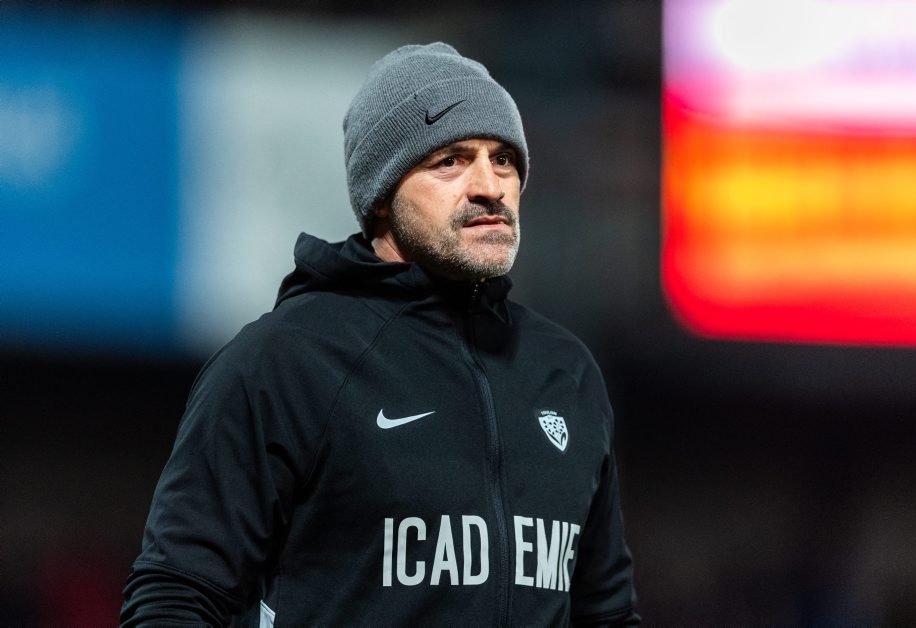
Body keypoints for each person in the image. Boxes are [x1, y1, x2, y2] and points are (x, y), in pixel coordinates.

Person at [121, 42, 640, 627]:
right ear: (382, 198)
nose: (489, 186)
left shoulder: (566, 371)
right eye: (450, 160)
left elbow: (606, 612)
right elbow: (175, 595)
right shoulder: (286, 362)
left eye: (502, 159)